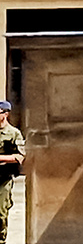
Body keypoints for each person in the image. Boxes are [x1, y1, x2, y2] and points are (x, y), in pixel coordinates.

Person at [0, 100, 22, 244]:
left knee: (0, 214)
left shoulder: (13, 133)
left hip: (3, 179)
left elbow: (21, 156)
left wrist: (2, 158)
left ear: (5, 114)